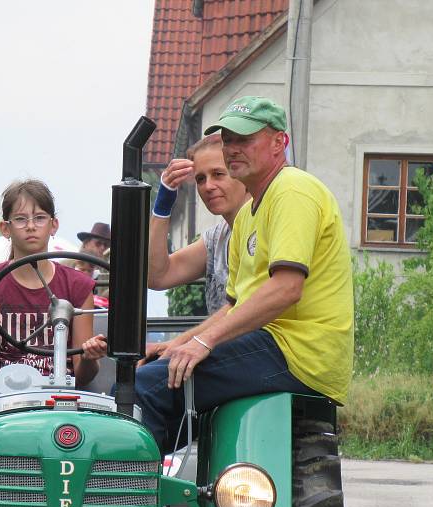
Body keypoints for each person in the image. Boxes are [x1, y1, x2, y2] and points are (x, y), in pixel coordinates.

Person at [135, 96, 354, 452]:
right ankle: (166, 496)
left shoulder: (293, 190)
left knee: (146, 387)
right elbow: (232, 306)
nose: (234, 149)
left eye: (245, 139)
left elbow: (286, 289)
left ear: (279, 142)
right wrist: (179, 344)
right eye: (228, 141)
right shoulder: (249, 214)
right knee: (151, 385)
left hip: (298, 351)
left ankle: (128, 501)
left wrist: (203, 343)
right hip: (272, 345)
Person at [0, 179, 107, 385]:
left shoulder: (78, 285)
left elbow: (83, 375)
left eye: (40, 218)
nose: (31, 226)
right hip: (3, 394)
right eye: (21, 219)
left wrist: (89, 357)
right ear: (6, 228)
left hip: (60, 393)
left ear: (53, 225)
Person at [148, 133, 251, 316]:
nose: (208, 186)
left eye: (218, 174)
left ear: (243, 173)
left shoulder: (265, 224)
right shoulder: (216, 238)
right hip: (219, 343)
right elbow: (156, 276)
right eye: (200, 179)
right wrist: (162, 206)